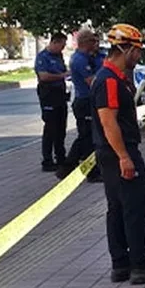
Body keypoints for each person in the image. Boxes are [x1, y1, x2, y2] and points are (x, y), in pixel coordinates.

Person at [92, 23, 145, 285]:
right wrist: (124, 157)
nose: (139, 56)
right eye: (137, 51)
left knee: (118, 208)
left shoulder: (112, 78)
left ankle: (121, 264)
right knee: (135, 208)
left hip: (111, 153)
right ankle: (140, 265)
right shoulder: (109, 81)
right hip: (120, 152)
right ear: (126, 50)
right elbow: (109, 122)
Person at [60, 28, 104, 182]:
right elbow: (91, 81)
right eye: (93, 41)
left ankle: (69, 167)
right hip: (84, 101)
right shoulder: (80, 59)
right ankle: (86, 171)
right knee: (87, 138)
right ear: (86, 42)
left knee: (88, 137)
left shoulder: (89, 57)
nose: (96, 44)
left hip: (88, 100)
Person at [34, 33, 69, 172]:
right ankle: (47, 160)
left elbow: (63, 70)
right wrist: (61, 76)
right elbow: (43, 76)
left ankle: (61, 157)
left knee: (61, 127)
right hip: (48, 93)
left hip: (60, 93)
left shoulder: (59, 56)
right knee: (50, 128)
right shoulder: (43, 57)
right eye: (62, 45)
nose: (63, 48)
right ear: (54, 42)